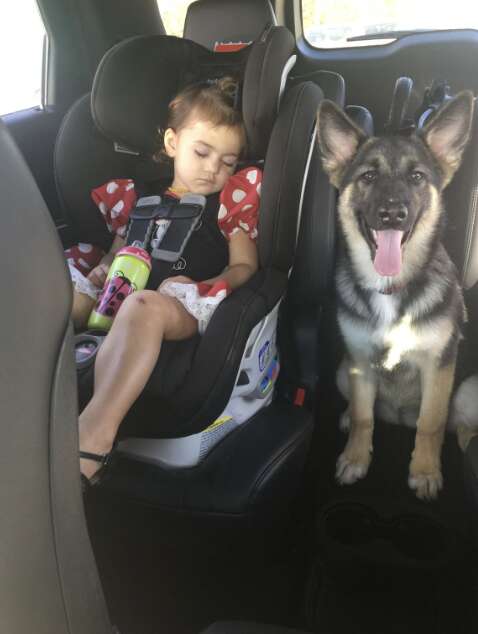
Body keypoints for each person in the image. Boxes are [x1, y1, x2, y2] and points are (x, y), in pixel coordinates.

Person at [75, 77, 262, 485]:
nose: (214, 168)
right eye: (202, 152)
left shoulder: (228, 204)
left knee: (144, 307)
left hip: (180, 304)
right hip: (120, 294)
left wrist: (212, 285)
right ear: (173, 142)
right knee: (64, 293)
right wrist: (102, 268)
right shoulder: (139, 198)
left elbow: (244, 266)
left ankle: (95, 434)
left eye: (228, 162)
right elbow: (118, 249)